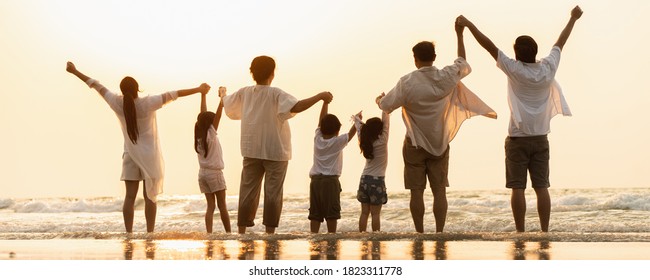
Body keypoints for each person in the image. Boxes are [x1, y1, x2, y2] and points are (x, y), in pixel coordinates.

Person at [456, 5, 583, 232]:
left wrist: (467, 25)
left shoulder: (514, 69)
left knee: (518, 188)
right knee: (542, 187)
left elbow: (489, 46)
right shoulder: (548, 68)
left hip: (517, 138)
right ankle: (544, 231)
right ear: (535, 51)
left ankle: (521, 231)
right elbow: (560, 42)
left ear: (516, 54)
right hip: (541, 138)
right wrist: (573, 18)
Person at [377, 21, 497, 233]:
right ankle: (439, 232)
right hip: (440, 143)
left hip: (414, 143)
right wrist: (459, 34)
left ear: (415, 59)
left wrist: (379, 100)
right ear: (434, 57)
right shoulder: (446, 76)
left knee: (416, 192)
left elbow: (386, 107)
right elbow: (463, 61)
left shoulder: (407, 82)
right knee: (439, 191)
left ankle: (420, 232)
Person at [66, 62, 210, 233]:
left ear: (122, 90)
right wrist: (199, 89)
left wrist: (74, 71)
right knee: (150, 197)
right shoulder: (149, 102)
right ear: (137, 89)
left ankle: (129, 233)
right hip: (150, 157)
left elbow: (95, 85)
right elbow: (175, 94)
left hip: (130, 156)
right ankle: (149, 233)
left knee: (129, 197)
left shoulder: (117, 103)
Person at [222, 55, 333, 234]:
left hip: (251, 149)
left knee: (247, 192)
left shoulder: (245, 92)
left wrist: (222, 93)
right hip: (276, 150)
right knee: (273, 193)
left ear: (252, 73)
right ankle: (269, 233)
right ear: (272, 74)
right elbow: (296, 106)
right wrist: (320, 96)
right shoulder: (276, 94)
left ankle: (241, 231)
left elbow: (226, 103)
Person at [308, 101, 356, 233]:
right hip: (330, 181)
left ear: (322, 129)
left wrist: (325, 103)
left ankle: (314, 237)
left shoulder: (317, 138)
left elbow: (320, 120)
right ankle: (331, 237)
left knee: (315, 214)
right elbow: (351, 134)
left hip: (315, 181)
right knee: (332, 214)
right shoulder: (337, 142)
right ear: (337, 131)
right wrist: (357, 120)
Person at [194, 86, 231, 233]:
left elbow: (202, 114)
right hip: (214, 174)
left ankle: (209, 233)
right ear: (210, 123)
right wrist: (222, 98)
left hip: (202, 174)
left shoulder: (199, 136)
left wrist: (203, 96)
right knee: (222, 206)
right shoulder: (211, 133)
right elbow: (218, 115)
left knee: (210, 206)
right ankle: (229, 233)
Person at [353, 108, 390, 232]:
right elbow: (386, 122)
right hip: (377, 180)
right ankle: (375, 238)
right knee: (375, 214)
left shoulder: (364, 141)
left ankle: (361, 236)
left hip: (364, 179)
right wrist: (383, 104)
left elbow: (359, 127)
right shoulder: (383, 140)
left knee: (364, 213)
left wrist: (358, 118)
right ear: (380, 130)